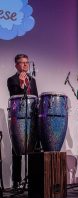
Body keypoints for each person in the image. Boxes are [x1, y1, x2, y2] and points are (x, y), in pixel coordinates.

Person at [7, 54, 38, 189]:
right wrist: (20, 85)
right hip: (18, 117)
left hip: (31, 116)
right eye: (22, 63)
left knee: (34, 149)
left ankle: (33, 179)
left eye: (27, 62)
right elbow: (14, 96)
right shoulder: (11, 79)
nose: (25, 65)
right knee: (17, 149)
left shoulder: (32, 80)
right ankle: (16, 181)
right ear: (16, 65)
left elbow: (35, 97)